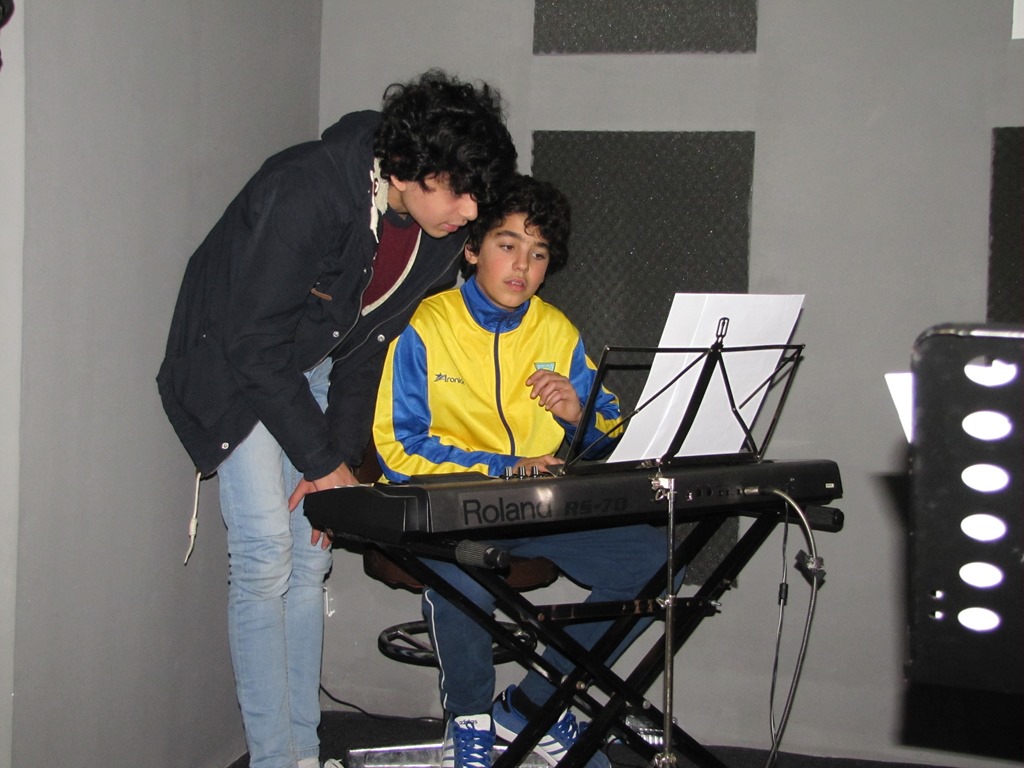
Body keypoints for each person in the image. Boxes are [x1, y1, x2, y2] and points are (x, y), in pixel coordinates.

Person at [156, 70, 517, 768]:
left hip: (312, 359)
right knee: (265, 553)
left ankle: (302, 749)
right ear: (409, 166)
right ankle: (274, 759)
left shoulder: (440, 236)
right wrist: (322, 464)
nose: (471, 210)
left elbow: (368, 347)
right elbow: (253, 346)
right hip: (238, 357)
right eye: (460, 190)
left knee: (312, 551)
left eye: (480, 195)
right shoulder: (308, 188)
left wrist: (339, 466)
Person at [373, 175, 669, 768]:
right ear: (472, 248)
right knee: (460, 573)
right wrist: (507, 468)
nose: (522, 265)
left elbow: (614, 435)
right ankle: (470, 727)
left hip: (538, 509)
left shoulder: (557, 330)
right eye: (507, 245)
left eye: (538, 254)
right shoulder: (424, 324)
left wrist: (578, 416)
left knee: (654, 559)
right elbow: (399, 451)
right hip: (448, 512)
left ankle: (534, 705)